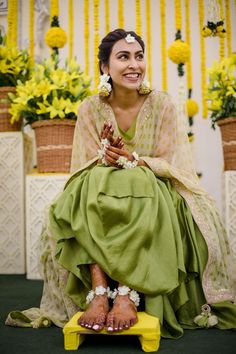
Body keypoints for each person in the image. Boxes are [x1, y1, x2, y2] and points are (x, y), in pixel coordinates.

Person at [6, 29, 236, 338]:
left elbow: (172, 165)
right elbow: (80, 168)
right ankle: (99, 291)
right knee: (94, 179)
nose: (134, 64)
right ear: (104, 67)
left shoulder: (163, 104)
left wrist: (135, 160)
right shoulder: (90, 107)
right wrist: (106, 156)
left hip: (153, 190)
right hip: (99, 190)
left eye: (139, 56)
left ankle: (126, 293)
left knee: (139, 178)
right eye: (123, 57)